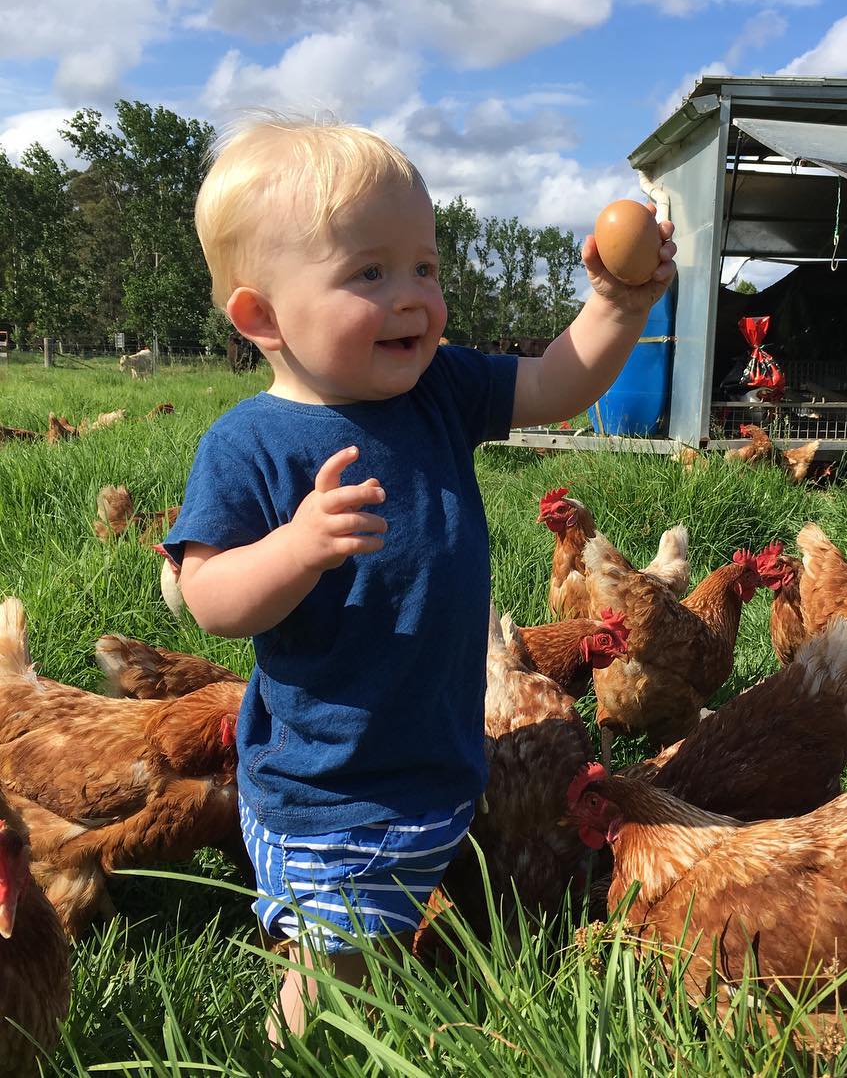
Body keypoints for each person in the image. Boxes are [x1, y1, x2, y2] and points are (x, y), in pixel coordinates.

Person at [163, 116, 676, 1043]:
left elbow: (557, 383)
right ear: (262, 316)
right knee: (332, 966)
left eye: (425, 268)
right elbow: (208, 597)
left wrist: (619, 304)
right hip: (329, 783)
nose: (415, 299)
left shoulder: (438, 387)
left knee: (392, 937)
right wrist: (296, 547)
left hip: (436, 756)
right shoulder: (250, 445)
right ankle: (293, 1056)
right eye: (370, 273)